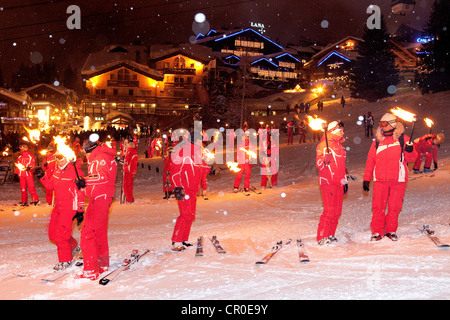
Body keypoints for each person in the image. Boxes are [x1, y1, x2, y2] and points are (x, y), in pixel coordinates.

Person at [362, 113, 417, 242]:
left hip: (398, 180)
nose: (381, 127)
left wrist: (410, 150)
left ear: (392, 124)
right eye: (380, 124)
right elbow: (371, 160)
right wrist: (366, 178)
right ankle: (377, 231)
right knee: (378, 207)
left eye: (384, 124)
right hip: (380, 180)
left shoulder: (403, 139)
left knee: (394, 207)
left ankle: (391, 230)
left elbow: (412, 158)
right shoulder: (377, 141)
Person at [35, 152, 85, 271]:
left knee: (60, 236)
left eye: (61, 158)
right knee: (52, 233)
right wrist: (42, 176)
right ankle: (73, 246)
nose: (58, 161)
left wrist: (80, 210)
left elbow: (80, 192)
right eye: (57, 159)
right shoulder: (57, 170)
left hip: (69, 208)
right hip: (58, 206)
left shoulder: (75, 172)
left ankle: (65, 260)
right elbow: (50, 186)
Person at [78, 134, 117, 280]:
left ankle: (90, 269)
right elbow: (96, 180)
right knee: (99, 232)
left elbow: (102, 177)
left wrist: (84, 180)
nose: (85, 156)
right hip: (99, 198)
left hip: (101, 199)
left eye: (85, 153)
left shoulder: (100, 158)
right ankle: (102, 265)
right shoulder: (98, 157)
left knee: (87, 234)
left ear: (90, 150)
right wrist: (84, 186)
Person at [170, 131, 209, 251]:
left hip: (193, 189)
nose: (201, 142)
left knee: (191, 215)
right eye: (199, 140)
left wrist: (210, 170)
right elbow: (174, 170)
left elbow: (200, 168)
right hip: (183, 188)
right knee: (185, 214)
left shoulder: (197, 151)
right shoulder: (182, 150)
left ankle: (184, 239)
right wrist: (177, 187)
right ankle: (176, 240)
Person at [315, 120, 347, 245]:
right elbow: (318, 164)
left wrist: (344, 181)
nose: (343, 132)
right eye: (341, 130)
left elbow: (342, 167)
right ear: (334, 130)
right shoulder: (323, 145)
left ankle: (330, 234)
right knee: (329, 211)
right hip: (328, 181)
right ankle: (322, 236)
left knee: (337, 211)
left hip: (338, 182)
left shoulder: (340, 146)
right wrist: (324, 160)